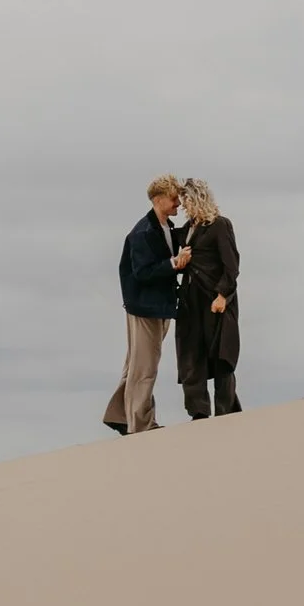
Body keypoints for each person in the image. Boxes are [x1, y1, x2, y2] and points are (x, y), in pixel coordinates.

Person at [102, 175, 188, 435]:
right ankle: (140, 426)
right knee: (144, 368)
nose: (178, 204)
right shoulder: (142, 232)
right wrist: (174, 263)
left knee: (137, 365)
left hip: (158, 306)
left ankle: (120, 415)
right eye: (174, 199)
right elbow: (142, 272)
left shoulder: (167, 228)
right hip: (144, 307)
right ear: (158, 199)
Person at [173, 177, 242, 419]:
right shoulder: (186, 230)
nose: (183, 207)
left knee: (221, 356)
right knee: (191, 355)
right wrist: (179, 262)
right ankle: (198, 413)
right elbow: (180, 264)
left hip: (215, 302)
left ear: (198, 199)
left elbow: (231, 266)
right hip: (191, 302)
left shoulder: (220, 225)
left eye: (186, 202)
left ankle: (227, 412)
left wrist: (223, 295)